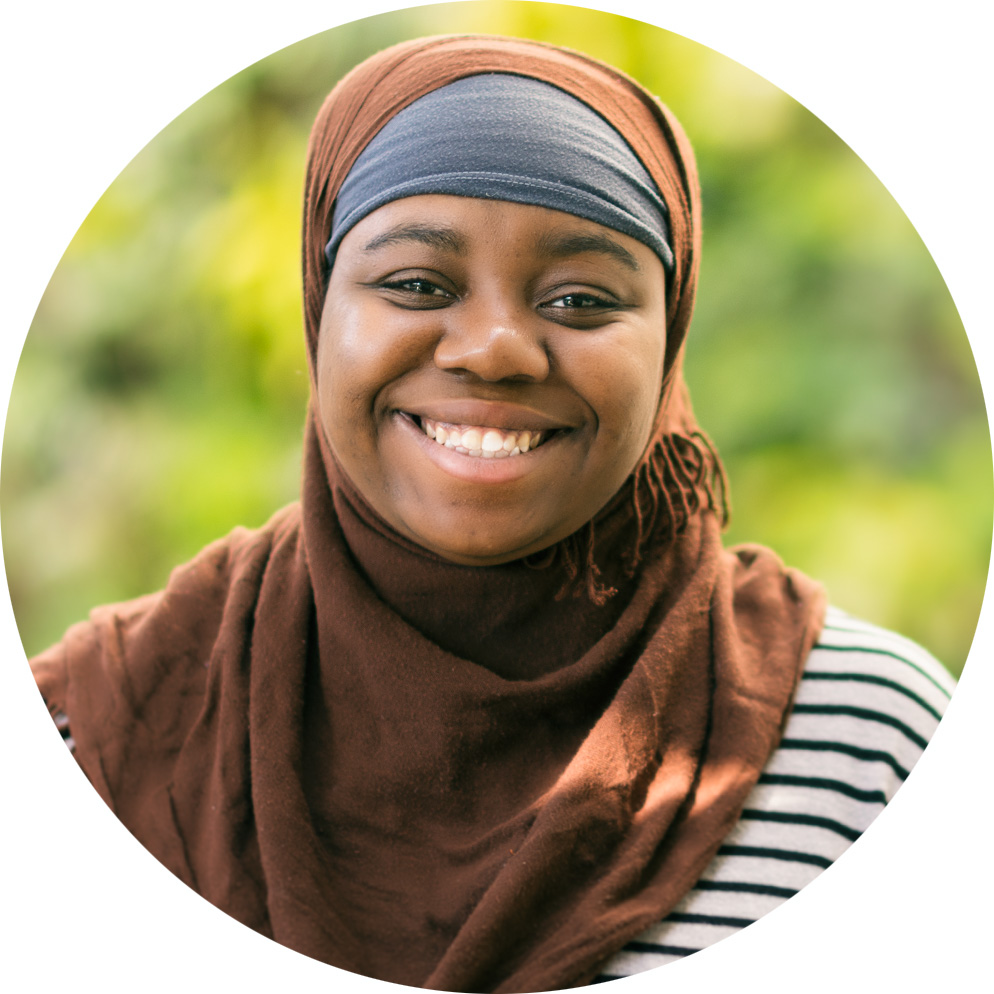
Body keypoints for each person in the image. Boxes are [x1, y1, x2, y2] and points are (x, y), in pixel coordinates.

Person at [29, 34, 952, 992]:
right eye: (417, 285)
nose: (496, 350)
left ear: (670, 339)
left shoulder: (872, 747)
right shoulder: (93, 734)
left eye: (583, 298)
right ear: (318, 309)